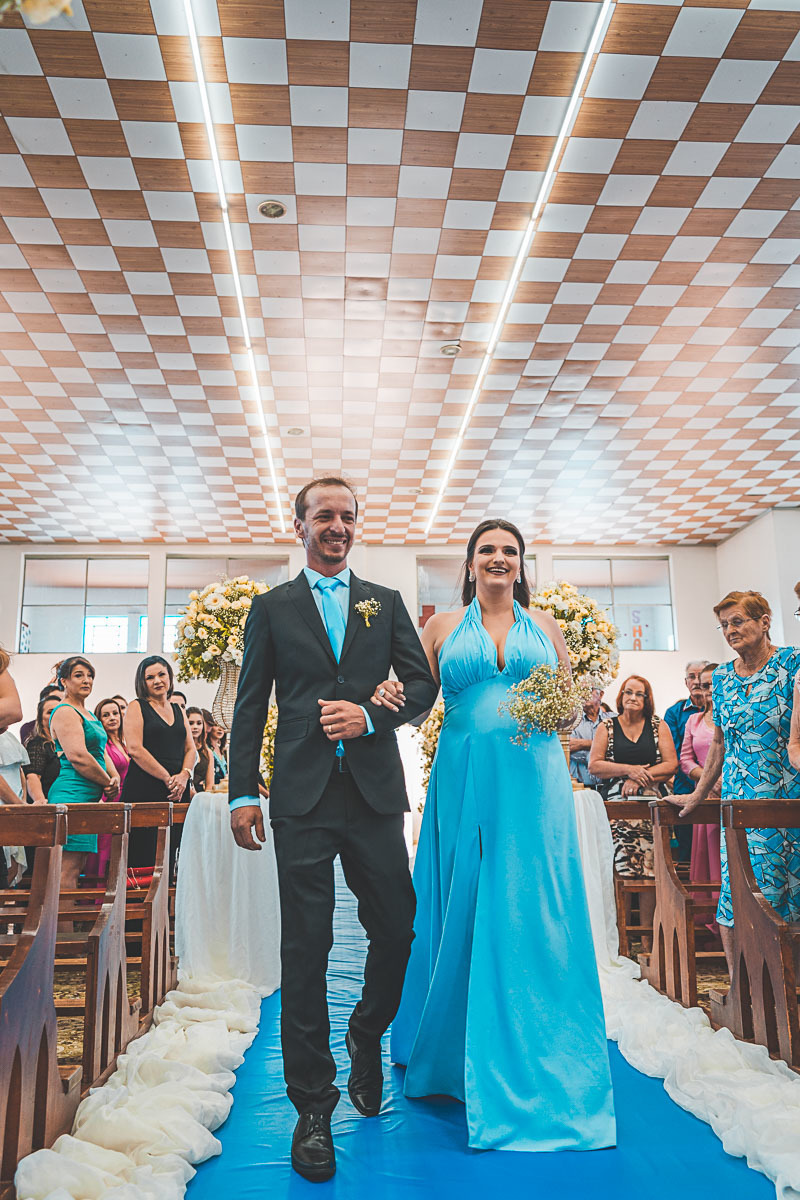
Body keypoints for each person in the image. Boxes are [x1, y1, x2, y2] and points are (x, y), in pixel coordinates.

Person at [228, 477, 437, 1182]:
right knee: (306, 946)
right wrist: (240, 793)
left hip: (375, 793)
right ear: (300, 526)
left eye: (348, 516)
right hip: (302, 797)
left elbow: (421, 682)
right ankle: (313, 1107)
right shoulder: (272, 608)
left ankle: (367, 1029)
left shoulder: (386, 602)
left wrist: (374, 715)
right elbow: (250, 705)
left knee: (398, 925)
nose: (337, 526)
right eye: (324, 515)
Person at [386, 519, 615, 1153]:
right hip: (463, 774)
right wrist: (385, 695)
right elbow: (416, 702)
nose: (498, 558)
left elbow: (569, 707)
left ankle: (537, 1041)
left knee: (527, 902)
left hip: (533, 779)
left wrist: (575, 704)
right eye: (487, 549)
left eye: (509, 551)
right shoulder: (438, 627)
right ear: (470, 562)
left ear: (521, 564)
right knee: (459, 894)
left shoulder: (548, 629)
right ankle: (449, 1047)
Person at [676, 590, 800, 976]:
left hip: (786, 795)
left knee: (788, 889)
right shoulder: (725, 678)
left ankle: (787, 985)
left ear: (765, 621)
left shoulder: (792, 664)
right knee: (739, 892)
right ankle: (741, 985)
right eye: (725, 624)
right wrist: (697, 794)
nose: (730, 631)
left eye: (738, 621)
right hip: (739, 801)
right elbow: (718, 741)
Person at [588, 676, 678, 946]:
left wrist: (641, 776)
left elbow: (671, 765)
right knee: (622, 869)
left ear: (647, 699)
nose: (633, 698)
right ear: (620, 696)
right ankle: (621, 941)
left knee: (649, 870)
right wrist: (629, 770)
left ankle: (649, 942)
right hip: (617, 807)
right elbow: (595, 765)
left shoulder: (657, 725)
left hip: (651, 805)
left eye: (639, 694)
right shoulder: (607, 726)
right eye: (628, 692)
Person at [48, 657, 120, 916]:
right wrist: (106, 781)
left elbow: (102, 751)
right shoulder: (66, 711)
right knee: (66, 875)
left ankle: (66, 939)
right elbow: (78, 756)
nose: (86, 680)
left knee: (74, 870)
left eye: (89, 675)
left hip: (88, 800)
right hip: (72, 794)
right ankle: (62, 945)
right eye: (79, 675)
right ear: (64, 681)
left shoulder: (88, 713)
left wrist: (113, 778)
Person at [121, 656, 195, 879]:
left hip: (177, 789)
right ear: (142, 682)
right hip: (146, 787)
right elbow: (134, 748)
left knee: (174, 850)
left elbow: (191, 749)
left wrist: (184, 775)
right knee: (144, 852)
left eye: (161, 674)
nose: (157, 681)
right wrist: (168, 778)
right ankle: (138, 909)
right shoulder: (137, 706)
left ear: (170, 677)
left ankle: (169, 908)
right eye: (150, 677)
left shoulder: (178, 709)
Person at [680, 663, 721, 928]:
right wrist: (706, 779)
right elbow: (685, 759)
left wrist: (721, 779)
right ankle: (709, 922)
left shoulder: (730, 716)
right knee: (707, 859)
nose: (707, 691)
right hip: (704, 797)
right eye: (704, 686)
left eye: (712, 685)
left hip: (730, 792)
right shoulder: (693, 720)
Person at [663, 661, 709, 860]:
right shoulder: (675, 713)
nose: (696, 681)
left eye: (701, 676)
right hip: (686, 784)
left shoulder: (722, 709)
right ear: (686, 682)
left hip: (722, 785)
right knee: (689, 848)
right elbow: (675, 751)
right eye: (692, 676)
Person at [84, 698, 130, 879]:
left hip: (127, 800)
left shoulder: (126, 743)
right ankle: (97, 899)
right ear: (99, 720)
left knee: (120, 853)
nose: (112, 718)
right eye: (106, 715)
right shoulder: (101, 745)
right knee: (105, 852)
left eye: (115, 713)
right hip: (110, 800)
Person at [23, 692, 62, 803]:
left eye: (58, 711)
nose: (55, 715)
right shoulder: (37, 744)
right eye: (50, 712)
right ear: (40, 719)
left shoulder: (68, 745)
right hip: (49, 805)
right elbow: (32, 776)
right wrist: (40, 801)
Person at [569, 687, 607, 788]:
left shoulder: (613, 719)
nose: (584, 694)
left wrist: (582, 744)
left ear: (601, 694)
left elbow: (619, 750)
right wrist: (602, 747)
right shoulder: (570, 721)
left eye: (589, 690)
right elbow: (568, 747)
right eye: (581, 690)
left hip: (610, 789)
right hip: (580, 788)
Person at [187, 705, 214, 794]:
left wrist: (204, 800)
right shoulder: (181, 749)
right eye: (191, 723)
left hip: (201, 797)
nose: (195, 727)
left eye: (199, 723)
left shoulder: (208, 752)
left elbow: (210, 785)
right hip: (183, 795)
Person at [203, 710, 228, 785]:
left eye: (222, 726)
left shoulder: (224, 751)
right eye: (216, 725)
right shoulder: (205, 748)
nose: (220, 729)